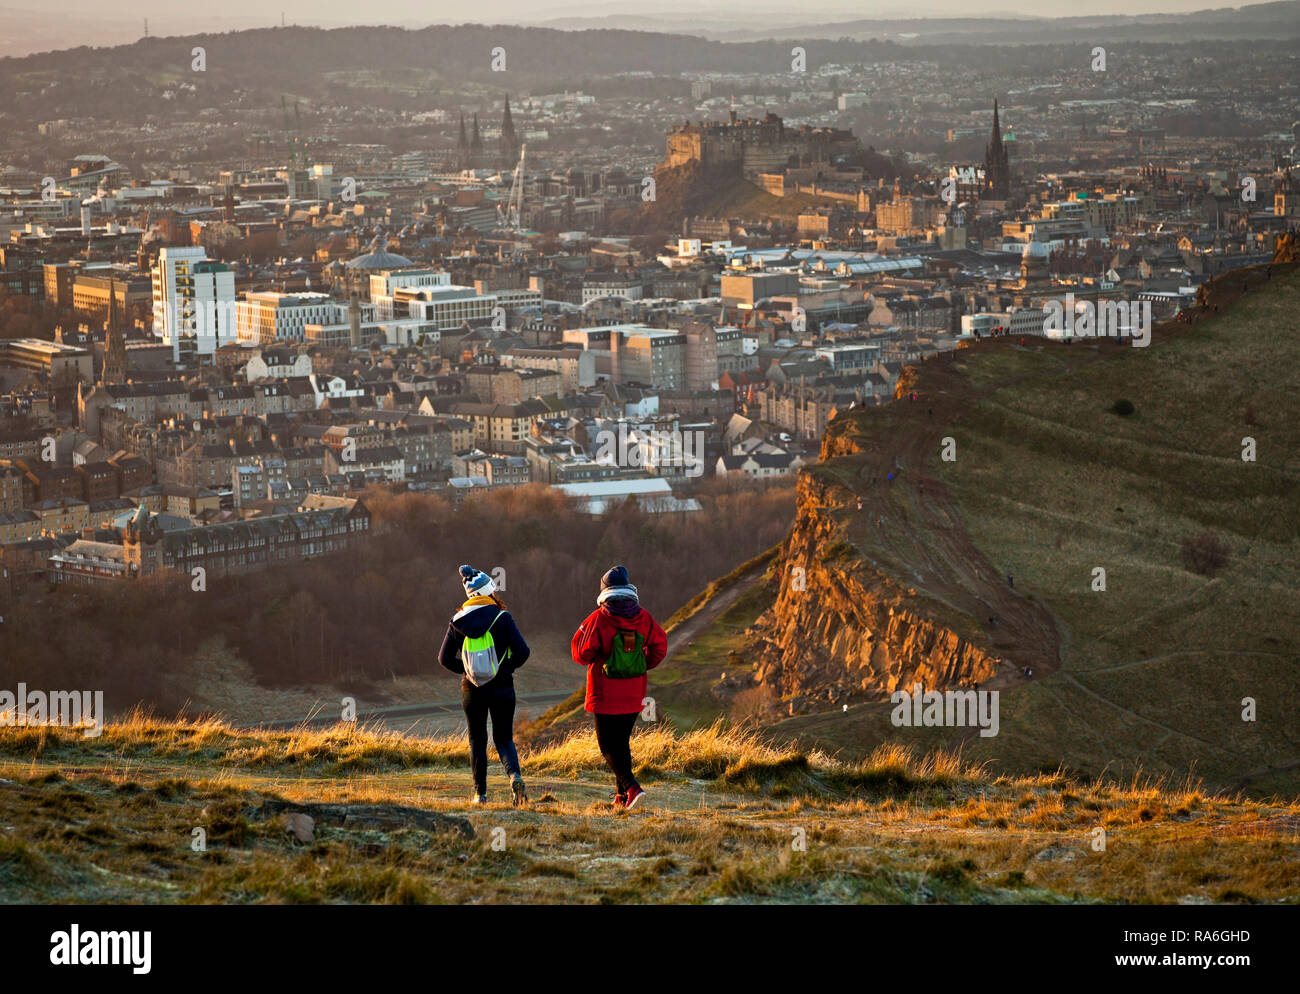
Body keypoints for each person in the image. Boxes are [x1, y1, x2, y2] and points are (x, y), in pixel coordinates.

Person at [571, 565, 667, 812]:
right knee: (621, 744)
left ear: (605, 592)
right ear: (628, 589)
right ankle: (621, 797)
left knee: (607, 746)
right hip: (634, 691)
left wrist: (602, 656)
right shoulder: (644, 618)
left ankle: (632, 787)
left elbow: (581, 653)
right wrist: (640, 663)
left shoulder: (599, 618)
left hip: (605, 691)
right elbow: (660, 646)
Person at [439, 565, 530, 807]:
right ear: (489, 590)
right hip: (502, 687)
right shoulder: (503, 617)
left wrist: (467, 671)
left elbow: (444, 659)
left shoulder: (457, 621)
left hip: (471, 689)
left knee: (477, 740)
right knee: (504, 738)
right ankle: (515, 777)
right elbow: (523, 653)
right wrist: (504, 668)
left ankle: (480, 795)